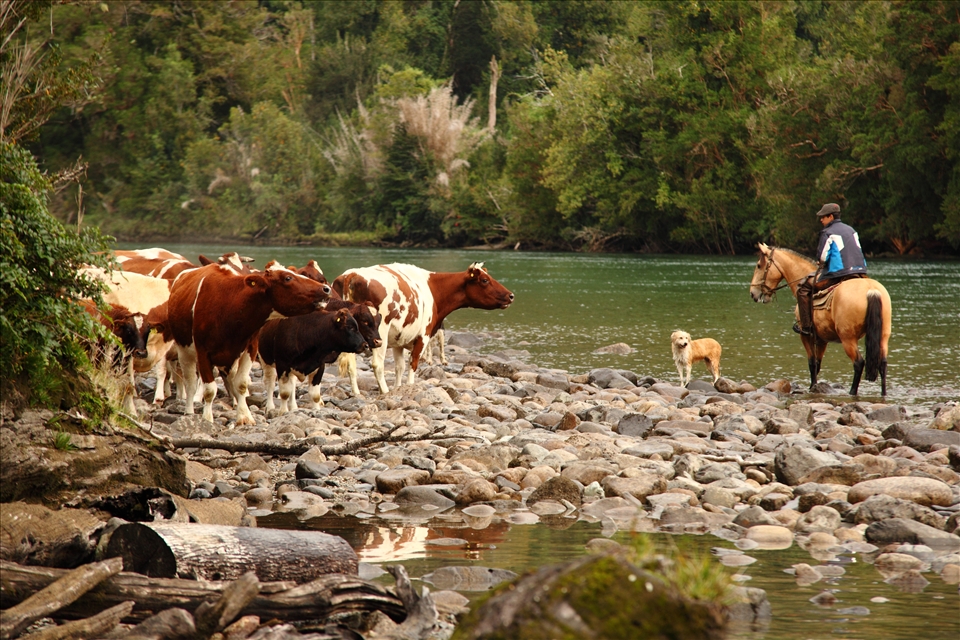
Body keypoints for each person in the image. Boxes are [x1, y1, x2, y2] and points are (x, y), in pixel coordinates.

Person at [794, 203, 868, 336]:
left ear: (831, 217)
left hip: (839, 274)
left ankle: (806, 327)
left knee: (803, 289)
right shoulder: (851, 230)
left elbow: (822, 258)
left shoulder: (827, 232)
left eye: (823, 217)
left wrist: (821, 262)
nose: (821, 220)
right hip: (860, 272)